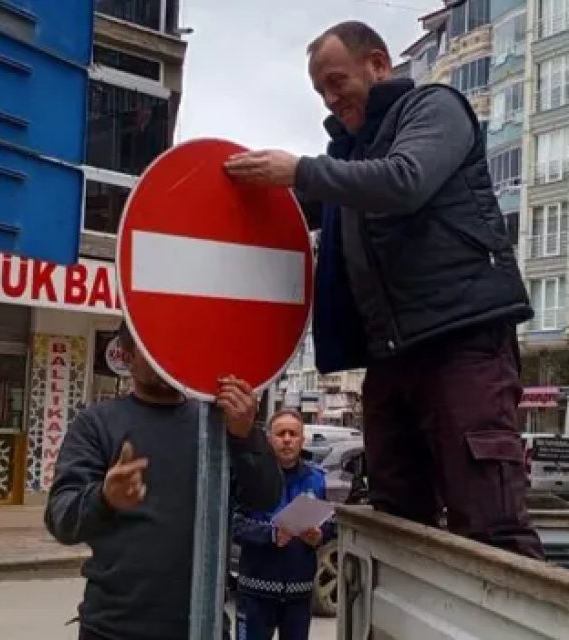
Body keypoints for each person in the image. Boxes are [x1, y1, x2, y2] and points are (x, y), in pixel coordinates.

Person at [223, 21, 542, 559]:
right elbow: (289, 216)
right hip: (390, 357)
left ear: (378, 63)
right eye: (319, 90)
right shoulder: (349, 160)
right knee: (397, 521)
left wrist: (299, 169)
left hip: (462, 344)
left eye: (336, 80)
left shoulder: (434, 108)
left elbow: (404, 180)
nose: (330, 97)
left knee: (491, 525)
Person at [44, 324, 283, 640]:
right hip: (113, 629)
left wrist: (246, 436)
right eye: (150, 346)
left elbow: (266, 498)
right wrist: (104, 498)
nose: (163, 356)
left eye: (170, 344)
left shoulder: (215, 424)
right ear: (127, 356)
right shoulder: (97, 424)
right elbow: (61, 518)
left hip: (202, 626)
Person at [233, 410, 335, 640]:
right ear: (269, 438)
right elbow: (234, 525)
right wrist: (270, 535)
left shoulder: (316, 479)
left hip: (299, 596)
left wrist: (320, 535)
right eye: (280, 434)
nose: (287, 439)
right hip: (256, 593)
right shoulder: (252, 477)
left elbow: (331, 525)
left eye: (293, 434)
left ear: (302, 439)